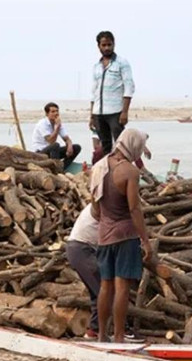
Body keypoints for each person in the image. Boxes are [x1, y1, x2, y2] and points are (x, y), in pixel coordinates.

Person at [90, 130, 152, 343]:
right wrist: (145, 240)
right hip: (125, 236)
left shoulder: (99, 167)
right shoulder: (130, 172)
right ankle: (118, 337)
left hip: (104, 236)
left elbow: (95, 209)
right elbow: (135, 209)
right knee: (122, 287)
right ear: (133, 145)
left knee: (105, 286)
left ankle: (101, 335)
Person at [91, 31, 135, 158]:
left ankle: (125, 170)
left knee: (121, 144)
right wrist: (91, 115)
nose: (107, 48)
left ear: (114, 44)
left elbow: (129, 87)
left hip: (115, 112)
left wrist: (125, 112)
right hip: (98, 113)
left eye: (109, 45)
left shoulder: (122, 63)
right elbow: (94, 91)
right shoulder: (96, 66)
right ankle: (108, 172)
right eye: (103, 45)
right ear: (98, 46)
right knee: (105, 145)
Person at [65, 205, 100, 338]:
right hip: (81, 249)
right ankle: (100, 330)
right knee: (103, 289)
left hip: (83, 248)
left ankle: (94, 330)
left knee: (97, 290)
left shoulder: (103, 203)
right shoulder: (101, 206)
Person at [32, 103, 81, 168]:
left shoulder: (57, 123)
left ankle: (62, 168)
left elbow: (66, 138)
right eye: (53, 111)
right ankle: (55, 169)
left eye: (57, 111)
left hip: (53, 152)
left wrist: (69, 145)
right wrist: (57, 127)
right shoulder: (42, 124)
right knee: (55, 145)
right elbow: (51, 141)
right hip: (40, 153)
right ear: (47, 114)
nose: (56, 113)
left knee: (76, 147)